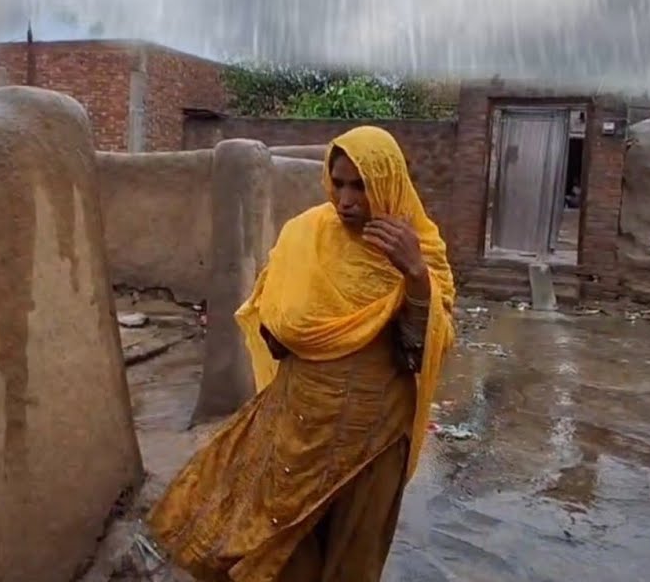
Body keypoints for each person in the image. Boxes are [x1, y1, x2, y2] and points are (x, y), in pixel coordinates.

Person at [147, 125, 456, 581]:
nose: (346, 200)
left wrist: (414, 278)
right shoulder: (305, 234)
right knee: (275, 544)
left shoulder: (419, 250)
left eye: (361, 186)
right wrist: (291, 325)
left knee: (352, 554)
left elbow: (418, 353)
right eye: (339, 183)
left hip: (371, 440)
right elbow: (271, 318)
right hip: (297, 423)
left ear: (389, 183)